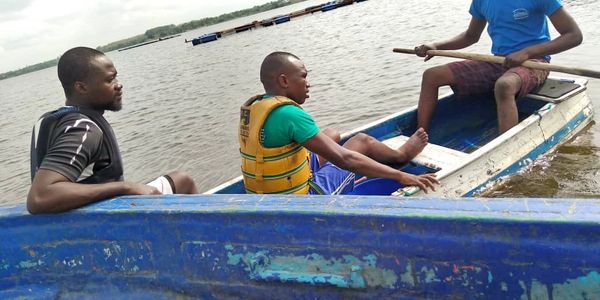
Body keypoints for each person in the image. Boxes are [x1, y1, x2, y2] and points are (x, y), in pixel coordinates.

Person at [239, 51, 438, 195]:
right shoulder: (290, 114)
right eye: (303, 76)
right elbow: (346, 159)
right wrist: (400, 176)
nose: (308, 83)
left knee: (332, 133)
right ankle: (400, 155)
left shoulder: (256, 107)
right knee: (360, 142)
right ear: (284, 81)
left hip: (267, 191)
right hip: (302, 200)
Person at [27, 47, 198, 214]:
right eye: (110, 80)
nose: (119, 85)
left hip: (77, 215)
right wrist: (126, 187)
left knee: (179, 181)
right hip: (96, 223)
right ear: (81, 87)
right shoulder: (83, 129)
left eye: (116, 78)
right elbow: (40, 197)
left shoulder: (49, 121)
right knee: (184, 182)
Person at [414, 0, 582, 134]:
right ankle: (420, 137)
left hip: (535, 62)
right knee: (432, 75)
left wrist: (527, 52)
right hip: (500, 62)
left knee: (504, 86)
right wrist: (435, 45)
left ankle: (507, 149)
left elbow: (574, 35)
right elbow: (470, 36)